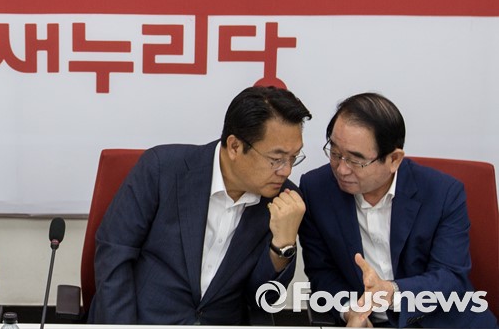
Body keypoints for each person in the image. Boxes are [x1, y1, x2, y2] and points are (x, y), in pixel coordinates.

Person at [87, 85, 312, 324]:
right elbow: (114, 256)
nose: (286, 170)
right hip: (145, 321)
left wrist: (282, 246)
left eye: (293, 158)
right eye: (276, 159)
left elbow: (260, 301)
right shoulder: (162, 169)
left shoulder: (284, 202)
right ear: (235, 147)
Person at [298, 92, 498, 328]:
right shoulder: (316, 190)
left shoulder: (443, 193)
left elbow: (450, 276)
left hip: (441, 321)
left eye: (356, 160)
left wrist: (391, 292)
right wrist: (350, 311)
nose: (341, 169)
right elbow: (322, 272)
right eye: (335, 152)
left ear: (394, 159)